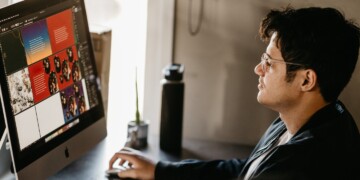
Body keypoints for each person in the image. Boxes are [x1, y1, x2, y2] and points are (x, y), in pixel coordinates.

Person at [108, 6, 360, 180]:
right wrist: (161, 171)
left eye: (269, 63)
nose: (258, 69)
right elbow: (247, 170)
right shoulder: (315, 118)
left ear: (306, 80)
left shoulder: (301, 168)